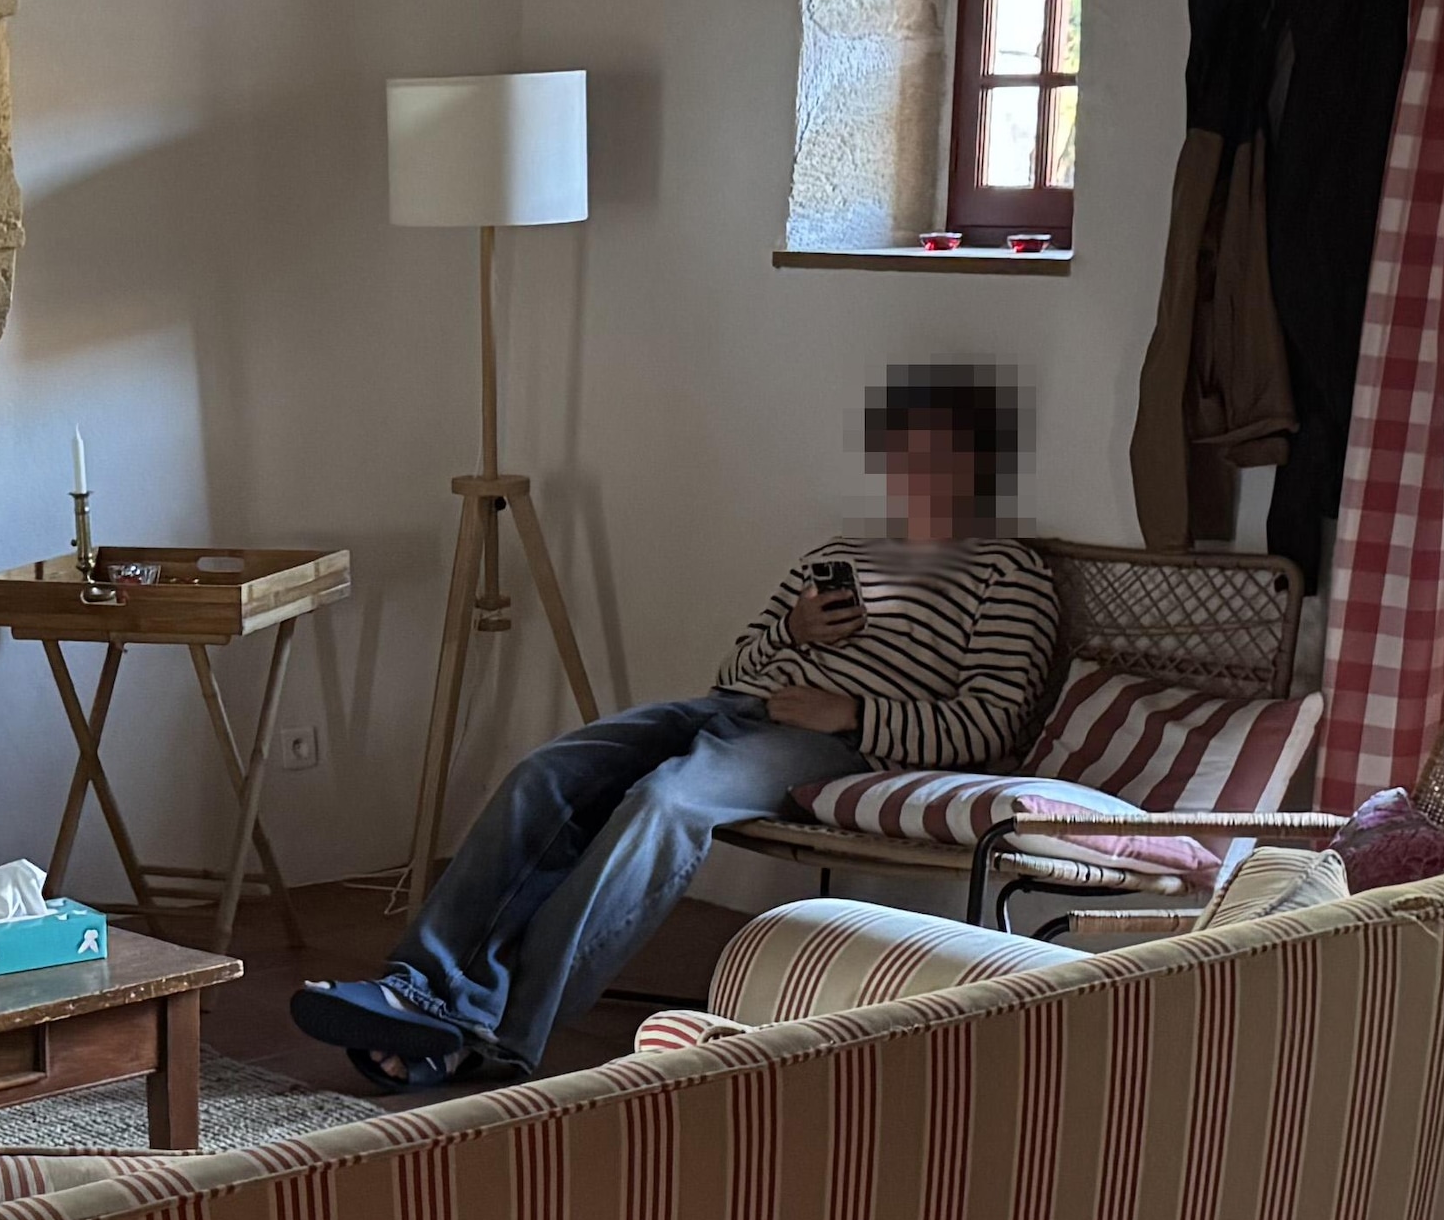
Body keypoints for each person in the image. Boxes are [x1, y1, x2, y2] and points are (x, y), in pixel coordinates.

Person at [294, 366, 1056, 1090]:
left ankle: (490, 1037)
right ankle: (418, 989)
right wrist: (793, 631)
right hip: (735, 707)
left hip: (836, 747)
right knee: (548, 773)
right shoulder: (840, 554)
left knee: (665, 803)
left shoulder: (1009, 576)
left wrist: (853, 712)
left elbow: (989, 724)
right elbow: (734, 666)